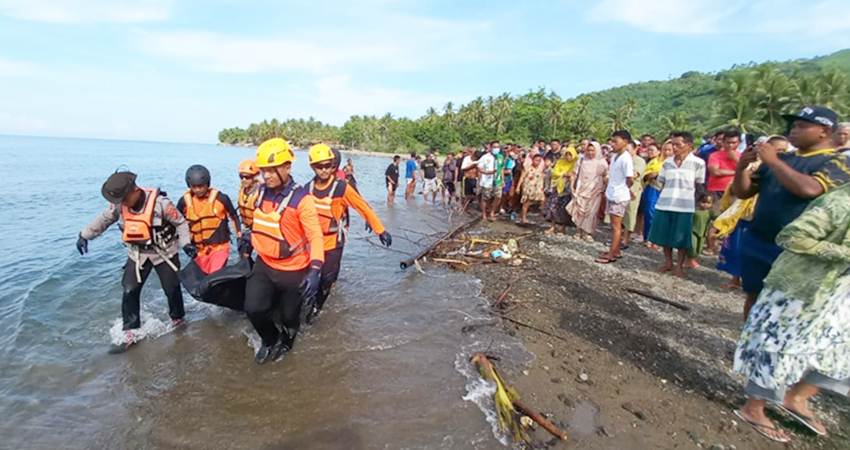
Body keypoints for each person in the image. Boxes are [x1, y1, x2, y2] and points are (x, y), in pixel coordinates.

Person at [732, 182, 850, 443]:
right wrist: (843, 253)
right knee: (779, 348)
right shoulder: (839, 203)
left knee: (841, 353)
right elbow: (791, 236)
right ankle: (754, 408)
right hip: (800, 290)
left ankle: (796, 397)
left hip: (840, 295)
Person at [733, 106, 850, 319]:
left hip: (797, 250)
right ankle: (748, 344)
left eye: (802, 126)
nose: (793, 130)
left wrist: (773, 161)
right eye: (793, 125)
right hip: (759, 239)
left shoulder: (838, 161)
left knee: (788, 305)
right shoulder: (783, 158)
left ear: (824, 131)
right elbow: (743, 192)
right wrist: (741, 168)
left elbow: (810, 189)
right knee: (754, 296)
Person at [76, 171, 194, 353]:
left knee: (171, 289)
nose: (121, 203)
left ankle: (178, 319)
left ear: (134, 190)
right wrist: (84, 235)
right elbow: (104, 219)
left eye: (124, 198)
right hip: (137, 254)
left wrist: (186, 244)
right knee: (129, 290)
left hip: (164, 253)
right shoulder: (119, 206)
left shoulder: (160, 204)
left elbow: (181, 223)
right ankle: (130, 331)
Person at [241, 138, 325, 364]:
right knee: (253, 308)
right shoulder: (259, 192)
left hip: (293, 269)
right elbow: (258, 223)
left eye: (271, 170)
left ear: (287, 167)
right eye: (263, 171)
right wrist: (248, 239)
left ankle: (287, 340)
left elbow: (315, 235)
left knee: (290, 317)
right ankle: (270, 339)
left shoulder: (302, 199)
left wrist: (315, 269)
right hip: (265, 264)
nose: (265, 176)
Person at [304, 144, 391, 319]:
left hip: (333, 240)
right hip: (312, 242)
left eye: (328, 165)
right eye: (320, 166)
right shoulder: (307, 188)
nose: (325, 170)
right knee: (306, 278)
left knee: (327, 279)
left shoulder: (342, 187)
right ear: (313, 167)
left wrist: (380, 230)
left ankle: (316, 309)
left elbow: (363, 207)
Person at [648, 131, 706, 277]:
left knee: (681, 238)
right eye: (673, 144)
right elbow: (661, 181)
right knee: (664, 235)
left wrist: (697, 203)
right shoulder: (667, 162)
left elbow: (700, 185)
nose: (674, 148)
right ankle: (668, 261)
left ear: (688, 145)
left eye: (678, 144)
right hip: (665, 203)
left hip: (685, 206)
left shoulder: (698, 163)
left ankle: (679, 265)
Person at [176, 165, 241, 275]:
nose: (198, 190)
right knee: (202, 280)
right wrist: (185, 244)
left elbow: (234, 217)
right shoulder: (184, 202)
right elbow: (177, 223)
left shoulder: (222, 199)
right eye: (194, 187)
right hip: (198, 250)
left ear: (208, 184)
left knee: (214, 278)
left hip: (219, 248)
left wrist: (239, 236)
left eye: (201, 186)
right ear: (189, 186)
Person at [596, 130, 634, 263]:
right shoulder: (615, 156)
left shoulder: (626, 158)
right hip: (612, 192)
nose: (612, 144)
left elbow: (630, 178)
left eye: (615, 141)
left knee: (616, 226)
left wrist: (626, 189)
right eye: (612, 141)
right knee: (614, 225)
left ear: (625, 142)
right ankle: (615, 250)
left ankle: (612, 254)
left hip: (619, 195)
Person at [567, 142, 608, 241]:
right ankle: (578, 231)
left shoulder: (602, 162)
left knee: (591, 212)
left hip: (595, 191)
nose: (590, 152)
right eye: (588, 150)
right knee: (579, 211)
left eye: (592, 150)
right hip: (581, 189)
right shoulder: (581, 161)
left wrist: (606, 185)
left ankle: (587, 232)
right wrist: (572, 185)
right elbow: (574, 174)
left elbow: (606, 175)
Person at [545, 143, 578, 234]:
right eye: (567, 154)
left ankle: (562, 227)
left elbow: (574, 174)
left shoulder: (576, 163)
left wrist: (567, 175)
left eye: (570, 154)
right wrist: (564, 174)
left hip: (567, 189)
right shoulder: (560, 162)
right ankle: (552, 226)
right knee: (553, 206)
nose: (568, 156)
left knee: (563, 209)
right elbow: (554, 172)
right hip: (557, 187)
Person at [640, 142, 667, 249]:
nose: (667, 152)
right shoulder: (654, 162)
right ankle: (649, 237)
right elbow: (646, 176)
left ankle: (660, 239)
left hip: (666, 191)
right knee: (650, 212)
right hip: (653, 188)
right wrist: (652, 175)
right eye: (666, 149)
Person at [622, 142, 647, 249]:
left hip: (632, 190)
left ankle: (625, 240)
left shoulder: (639, 161)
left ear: (635, 149)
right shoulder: (622, 159)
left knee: (630, 214)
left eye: (628, 150)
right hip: (620, 189)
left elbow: (635, 174)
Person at [707, 129, 741, 204]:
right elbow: (715, 172)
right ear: (723, 142)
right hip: (717, 191)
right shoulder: (714, 155)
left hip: (736, 191)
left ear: (739, 143)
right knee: (717, 214)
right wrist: (737, 172)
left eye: (734, 143)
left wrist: (736, 159)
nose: (730, 145)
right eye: (728, 142)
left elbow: (747, 171)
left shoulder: (743, 156)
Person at [515, 153, 545, 224]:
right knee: (526, 203)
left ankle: (541, 216)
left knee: (542, 201)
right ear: (532, 160)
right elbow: (522, 177)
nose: (537, 162)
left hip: (537, 188)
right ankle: (523, 218)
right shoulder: (527, 168)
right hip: (528, 188)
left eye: (539, 161)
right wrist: (518, 187)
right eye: (536, 160)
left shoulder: (540, 169)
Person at [686, 194, 713, 268]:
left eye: (708, 203)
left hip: (703, 233)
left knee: (699, 248)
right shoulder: (694, 211)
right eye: (703, 202)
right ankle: (689, 260)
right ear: (698, 202)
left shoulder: (710, 213)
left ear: (711, 204)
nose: (705, 204)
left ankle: (693, 259)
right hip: (693, 231)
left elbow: (717, 217)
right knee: (692, 247)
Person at [237, 159, 261, 235]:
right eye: (241, 177)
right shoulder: (242, 190)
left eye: (247, 177)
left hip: (257, 231)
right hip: (245, 228)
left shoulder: (261, 193)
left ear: (255, 177)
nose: (244, 180)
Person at [477, 143, 498, 221]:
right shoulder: (485, 157)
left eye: (498, 147)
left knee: (497, 197)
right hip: (487, 181)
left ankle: (492, 212)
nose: (496, 149)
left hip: (497, 180)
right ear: (491, 148)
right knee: (485, 198)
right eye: (495, 147)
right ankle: (484, 214)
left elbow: (501, 168)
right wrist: (486, 172)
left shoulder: (500, 157)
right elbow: (479, 167)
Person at [460, 148, 478, 212]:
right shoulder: (467, 159)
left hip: (476, 179)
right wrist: (472, 166)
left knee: (476, 195)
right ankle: (465, 209)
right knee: (467, 195)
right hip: (467, 178)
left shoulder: (479, 159)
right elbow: (463, 168)